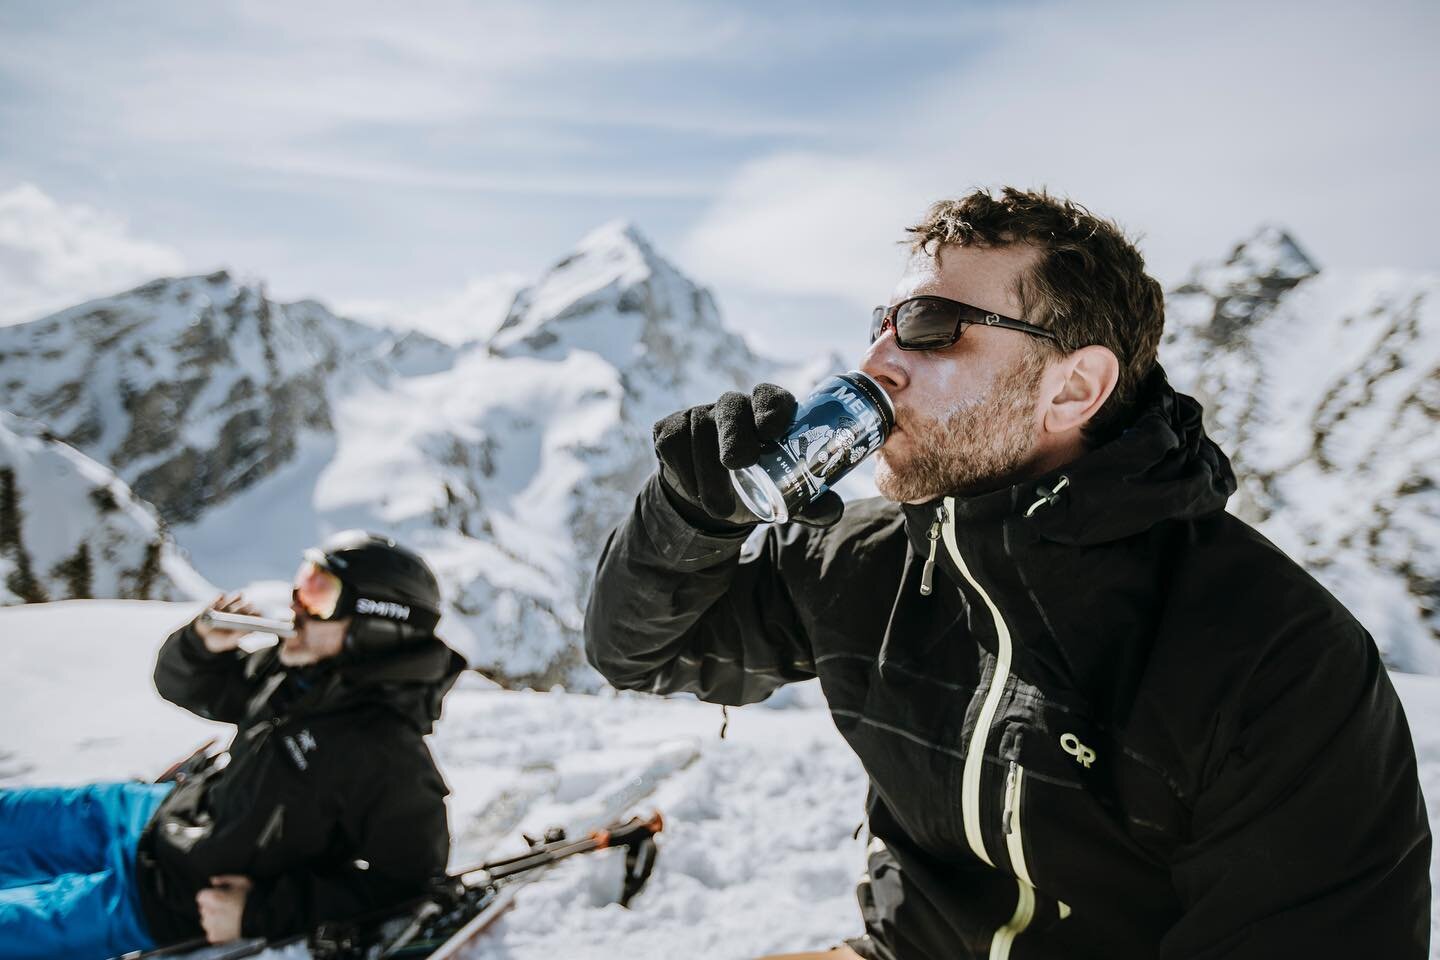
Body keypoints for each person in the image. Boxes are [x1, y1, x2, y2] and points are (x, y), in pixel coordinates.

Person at [584, 187, 1431, 959]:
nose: (878, 359)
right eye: (884, 321)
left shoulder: (1276, 656)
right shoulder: (864, 561)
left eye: (929, 326)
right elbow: (640, 650)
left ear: (1073, 390)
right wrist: (687, 518)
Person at [0, 531, 465, 959]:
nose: (297, 605)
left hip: (166, 897)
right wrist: (201, 646)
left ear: (376, 625)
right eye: (305, 581)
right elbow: (189, 687)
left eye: (320, 595)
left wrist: (255, 911)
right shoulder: (300, 674)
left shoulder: (386, 756)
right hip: (154, 813)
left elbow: (409, 886)